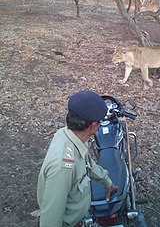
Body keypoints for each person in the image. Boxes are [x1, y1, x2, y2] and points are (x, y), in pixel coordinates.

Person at [37, 90, 117, 227]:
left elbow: (87, 164)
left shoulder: (68, 135)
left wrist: (106, 181)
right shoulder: (63, 168)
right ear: (93, 126)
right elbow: (50, 220)